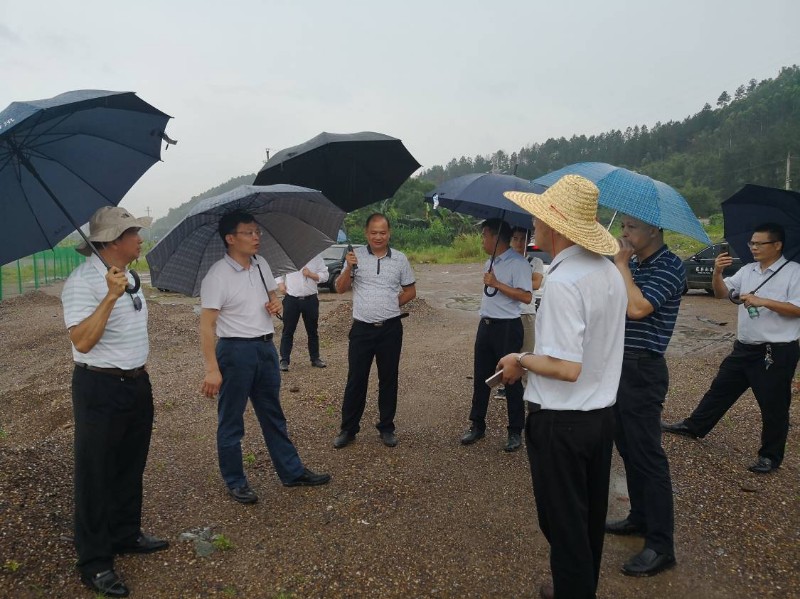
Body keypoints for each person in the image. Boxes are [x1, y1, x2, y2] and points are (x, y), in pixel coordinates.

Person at [496, 175, 626, 599]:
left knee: (563, 525)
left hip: (563, 424)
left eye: (538, 217)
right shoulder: (607, 271)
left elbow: (566, 367)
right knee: (585, 520)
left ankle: (573, 588)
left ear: (554, 225)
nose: (533, 224)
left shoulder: (565, 281)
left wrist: (519, 361)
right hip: (599, 418)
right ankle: (580, 586)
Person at [62, 207, 168, 597]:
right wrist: (109, 296)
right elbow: (82, 341)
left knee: (129, 464)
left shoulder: (130, 276)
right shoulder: (81, 283)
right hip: (99, 388)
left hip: (136, 384)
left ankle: (125, 534)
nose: (139, 239)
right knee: (95, 474)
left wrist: (118, 288)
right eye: (133, 233)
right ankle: (94, 561)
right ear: (112, 242)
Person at [200, 211, 330, 505]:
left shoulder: (261, 264)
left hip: (264, 348)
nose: (256, 237)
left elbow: (273, 297)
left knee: (273, 414)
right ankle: (235, 481)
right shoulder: (217, 276)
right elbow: (206, 325)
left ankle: (291, 471)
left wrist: (274, 304)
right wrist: (212, 369)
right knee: (232, 420)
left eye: (257, 231)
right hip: (234, 352)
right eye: (248, 232)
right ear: (230, 238)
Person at [663, 222, 800, 474]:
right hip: (744, 347)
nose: (753, 247)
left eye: (759, 243)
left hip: (776, 351)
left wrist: (763, 301)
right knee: (720, 390)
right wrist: (716, 273)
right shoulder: (748, 270)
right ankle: (695, 426)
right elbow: (721, 294)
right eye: (752, 243)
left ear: (777, 245)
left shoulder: (794, 272)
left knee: (774, 404)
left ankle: (770, 456)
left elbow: (797, 309)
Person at [605, 215, 685, 577]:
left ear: (655, 229)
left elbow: (637, 308)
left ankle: (661, 545)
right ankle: (639, 517)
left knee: (648, 455)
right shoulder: (636, 263)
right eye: (622, 226)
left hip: (643, 369)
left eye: (631, 227)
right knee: (627, 448)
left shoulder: (670, 266)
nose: (623, 234)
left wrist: (621, 266)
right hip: (619, 365)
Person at [332, 213, 416, 449]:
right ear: (366, 233)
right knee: (356, 380)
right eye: (373, 232)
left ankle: (387, 427)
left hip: (390, 329)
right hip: (361, 330)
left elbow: (410, 291)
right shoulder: (354, 256)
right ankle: (348, 429)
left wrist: (390, 304)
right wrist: (349, 267)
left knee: (388, 379)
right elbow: (339, 289)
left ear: (389, 233)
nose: (378, 237)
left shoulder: (400, 259)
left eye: (382, 232)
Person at [460, 219, 533, 452]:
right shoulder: (488, 262)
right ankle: (477, 425)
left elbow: (526, 297)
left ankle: (514, 431)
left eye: (484, 236)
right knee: (481, 376)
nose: (482, 240)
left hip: (508, 328)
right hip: (487, 325)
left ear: (495, 237)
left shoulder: (518, 263)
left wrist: (497, 283)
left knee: (510, 379)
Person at [493, 226, 544, 399]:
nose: (519, 243)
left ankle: (527, 386)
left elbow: (536, 284)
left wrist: (513, 279)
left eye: (523, 239)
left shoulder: (535, 261)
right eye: (515, 238)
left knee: (527, 350)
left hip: (527, 313)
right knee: (507, 351)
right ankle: (506, 386)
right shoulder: (502, 261)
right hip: (508, 312)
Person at [275, 252, 330, 371]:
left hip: (310, 299)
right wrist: (280, 284)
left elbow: (325, 275)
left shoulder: (316, 257)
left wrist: (311, 274)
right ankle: (284, 360)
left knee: (312, 331)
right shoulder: (287, 256)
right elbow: (278, 271)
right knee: (288, 331)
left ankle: (315, 358)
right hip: (292, 299)